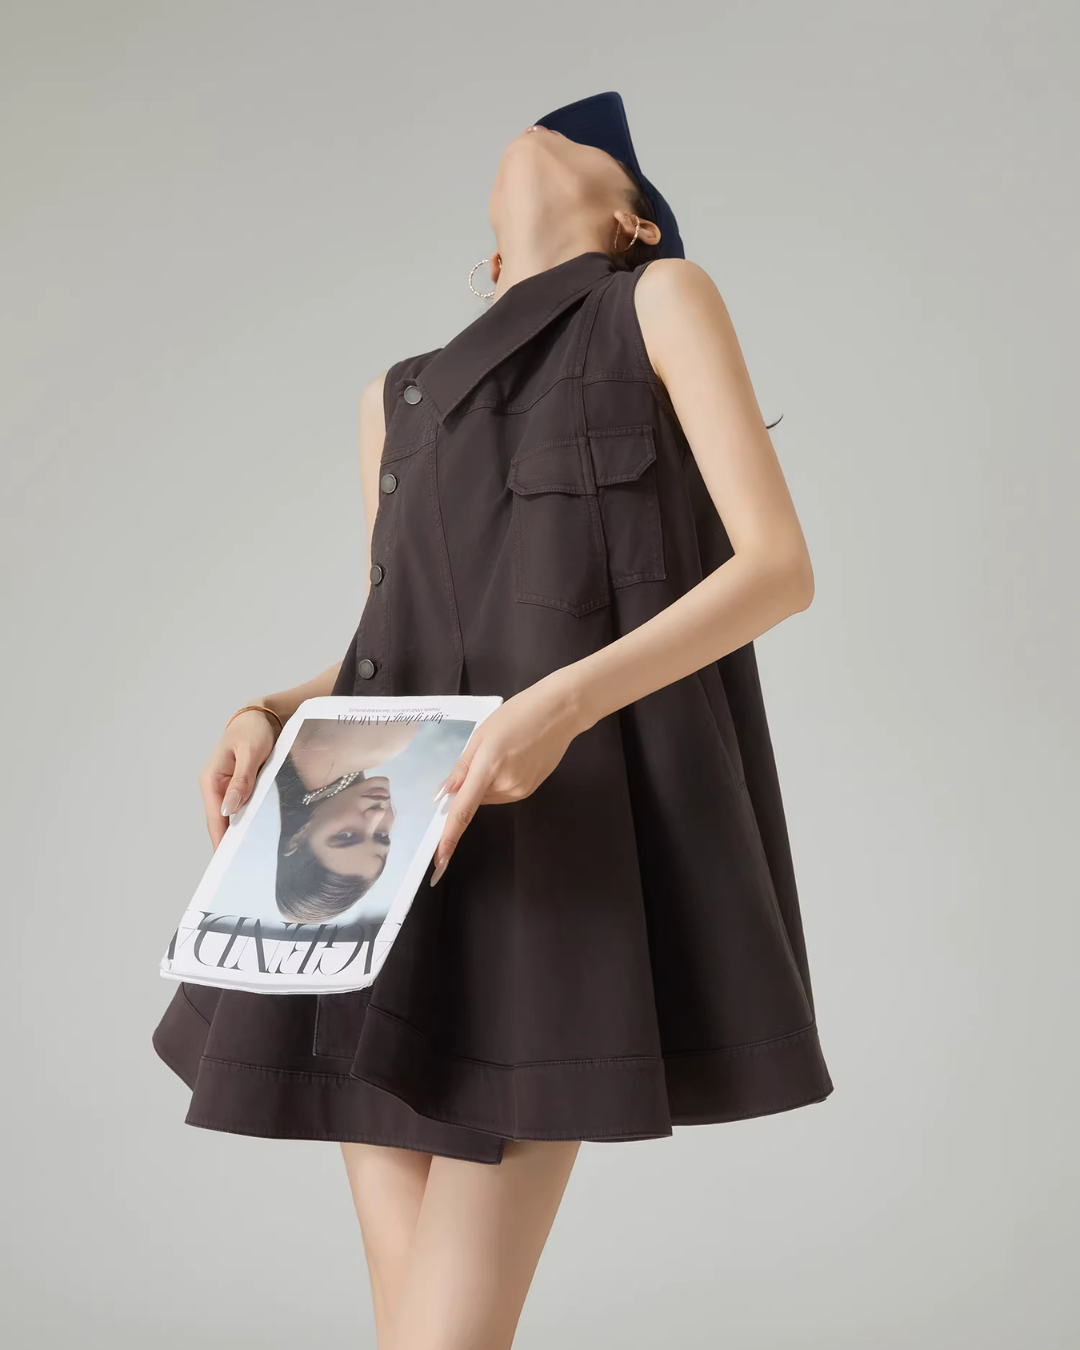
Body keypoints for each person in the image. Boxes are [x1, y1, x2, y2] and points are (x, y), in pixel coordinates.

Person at [153, 90, 834, 1350]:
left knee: (442, 1330)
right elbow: (394, 641)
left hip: (550, 829)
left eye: (598, 147)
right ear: (486, 249)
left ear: (633, 222)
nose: (559, 125)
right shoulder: (395, 398)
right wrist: (264, 709)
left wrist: (557, 709)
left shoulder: (659, 300)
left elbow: (777, 570)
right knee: (411, 1319)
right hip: (366, 839)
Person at [273, 716, 415, 922]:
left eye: (346, 835)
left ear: (299, 837)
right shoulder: (299, 768)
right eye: (381, 836)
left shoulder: (380, 744)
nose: (376, 815)